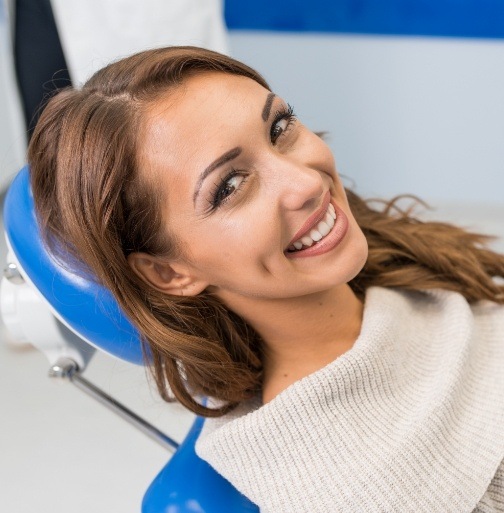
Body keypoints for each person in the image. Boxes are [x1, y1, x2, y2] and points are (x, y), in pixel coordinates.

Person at [28, 46, 504, 512]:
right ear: (169, 271)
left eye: (279, 128)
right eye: (230, 186)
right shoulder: (349, 486)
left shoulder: (412, 270)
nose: (307, 183)